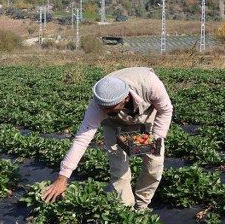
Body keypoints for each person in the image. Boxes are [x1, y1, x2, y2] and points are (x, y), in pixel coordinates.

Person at [42, 66, 173, 210]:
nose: (104, 111)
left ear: (126, 98)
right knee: (119, 169)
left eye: (109, 108)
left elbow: (165, 109)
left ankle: (141, 205)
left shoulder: (150, 84)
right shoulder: (99, 105)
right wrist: (62, 178)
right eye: (102, 107)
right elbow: (81, 140)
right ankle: (125, 211)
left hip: (145, 118)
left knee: (153, 164)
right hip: (114, 125)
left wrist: (156, 138)